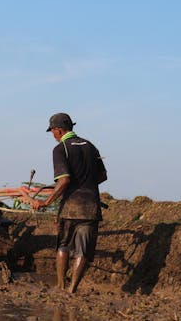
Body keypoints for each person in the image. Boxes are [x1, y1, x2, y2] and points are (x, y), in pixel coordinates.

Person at [32, 113, 107, 294]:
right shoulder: (91, 147)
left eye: (52, 132)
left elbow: (64, 180)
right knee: (83, 250)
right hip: (91, 208)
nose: (53, 135)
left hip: (70, 207)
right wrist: (86, 184)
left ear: (58, 130)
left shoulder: (60, 149)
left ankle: (61, 286)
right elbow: (103, 176)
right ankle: (72, 289)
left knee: (63, 246)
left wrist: (45, 202)